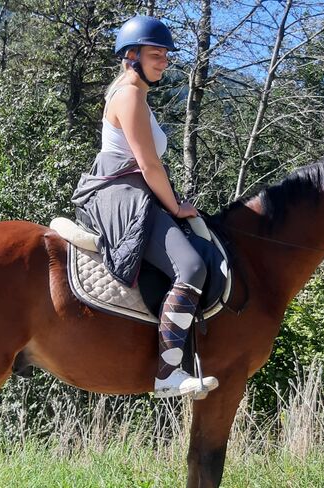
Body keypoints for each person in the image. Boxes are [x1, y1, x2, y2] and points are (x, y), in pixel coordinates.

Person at [71, 16, 219, 399]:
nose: (164, 62)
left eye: (167, 55)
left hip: (135, 190)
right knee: (192, 267)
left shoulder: (135, 95)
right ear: (131, 55)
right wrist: (176, 206)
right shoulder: (129, 95)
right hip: (123, 194)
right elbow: (149, 164)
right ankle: (168, 374)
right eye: (157, 54)